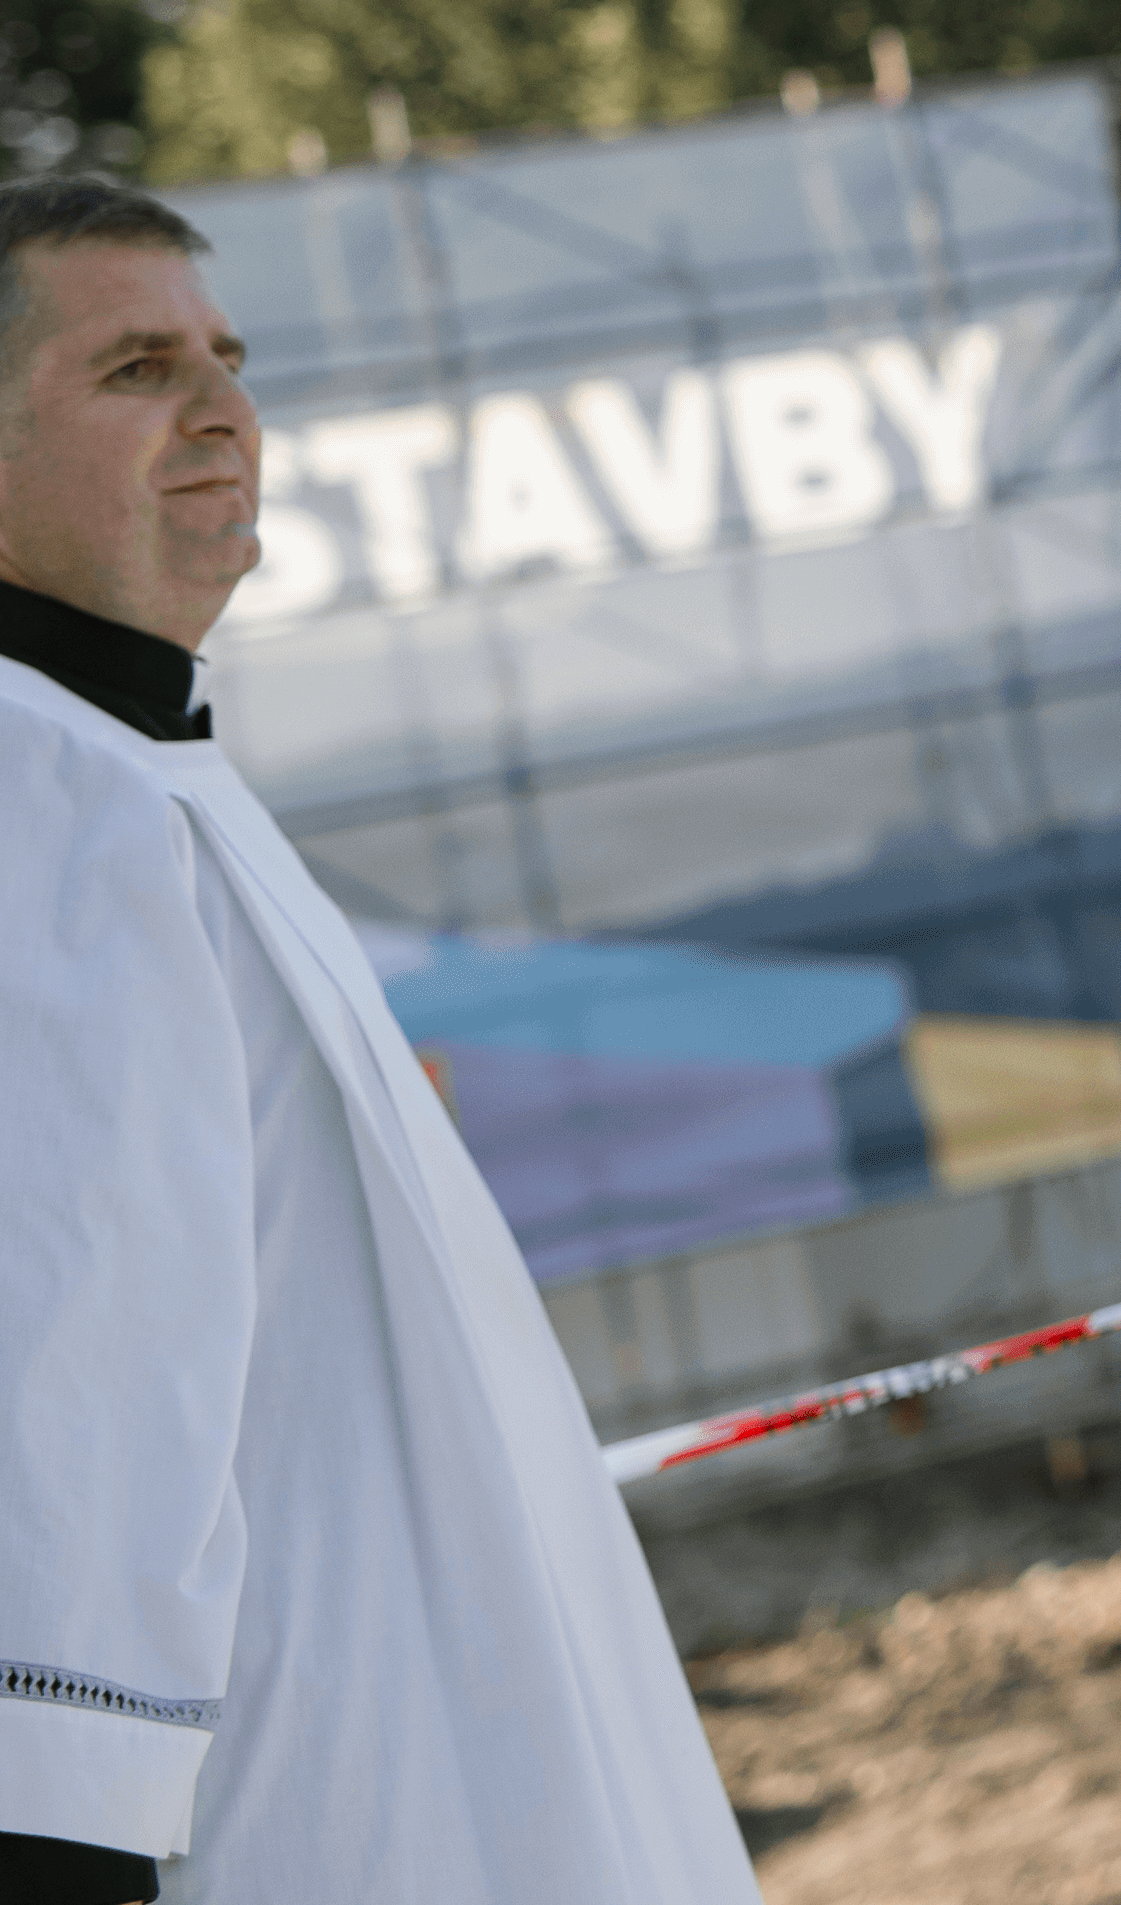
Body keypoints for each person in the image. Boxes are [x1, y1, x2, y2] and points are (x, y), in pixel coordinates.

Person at [0, 179, 760, 1905]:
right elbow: (61, 1420)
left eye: (227, 358)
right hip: (317, 1821)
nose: (220, 410)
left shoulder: (139, 766)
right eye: (133, 368)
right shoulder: (40, 806)